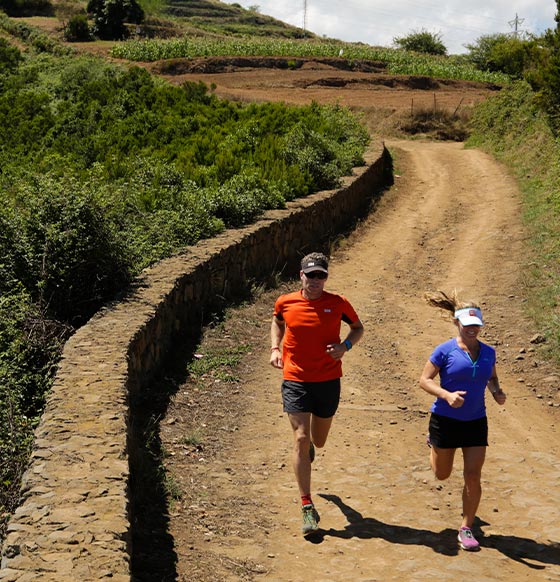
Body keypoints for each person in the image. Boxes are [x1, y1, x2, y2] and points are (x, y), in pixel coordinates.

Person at [269, 252, 364, 536]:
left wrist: (345, 346)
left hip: (327, 379)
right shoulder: (285, 302)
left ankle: (311, 444)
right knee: (300, 437)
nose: (315, 281)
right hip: (295, 377)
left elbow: (358, 328)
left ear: (326, 277)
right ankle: (307, 505)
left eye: (321, 275)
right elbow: (277, 321)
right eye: (311, 275)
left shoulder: (338, 303)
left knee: (318, 441)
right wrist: (275, 348)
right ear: (301, 275)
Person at [419, 290, 507, 551]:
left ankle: (466, 527)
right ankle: (433, 444)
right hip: (445, 419)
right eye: (467, 325)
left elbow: (491, 378)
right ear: (457, 323)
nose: (472, 330)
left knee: (473, 475)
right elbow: (424, 380)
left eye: (476, 325)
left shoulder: (489, 352)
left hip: (475, 421)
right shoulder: (444, 351)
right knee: (441, 474)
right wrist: (446, 395)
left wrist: (497, 392)